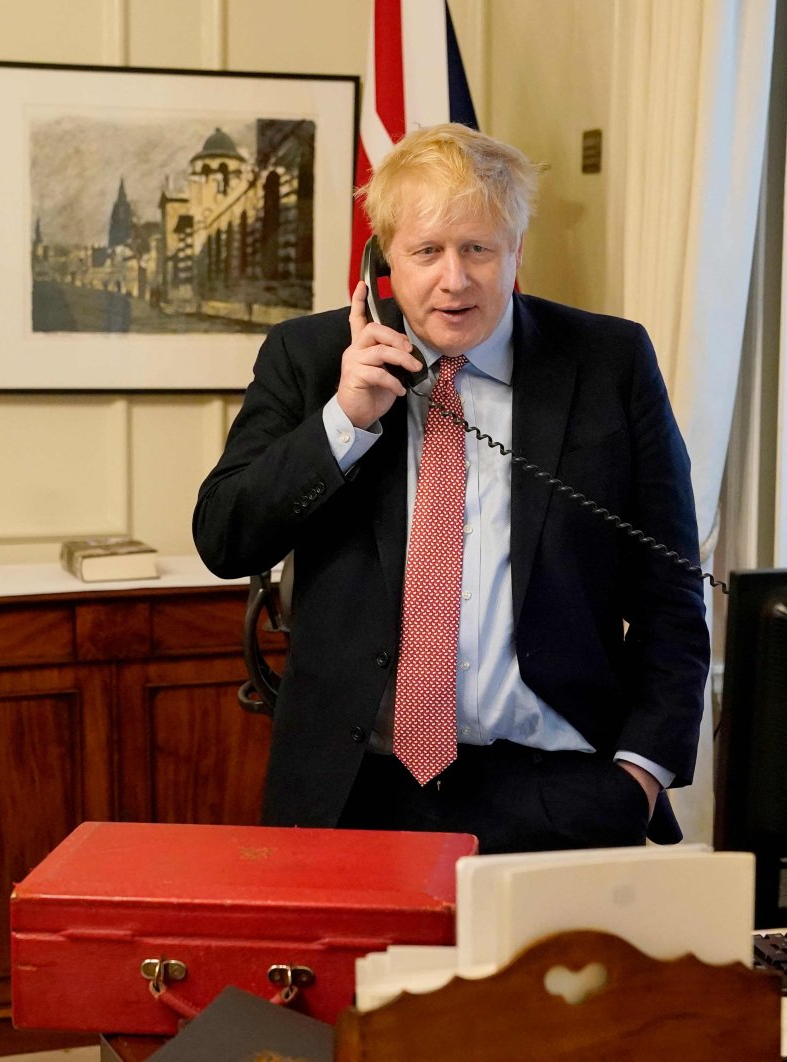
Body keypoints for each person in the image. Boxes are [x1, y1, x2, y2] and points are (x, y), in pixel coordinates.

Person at [192, 123, 708, 853]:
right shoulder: (308, 360)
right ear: (384, 262)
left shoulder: (607, 362)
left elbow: (671, 590)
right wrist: (345, 421)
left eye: (478, 250)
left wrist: (640, 773)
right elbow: (224, 537)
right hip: (355, 790)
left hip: (563, 790)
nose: (455, 279)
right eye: (428, 251)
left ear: (516, 253)